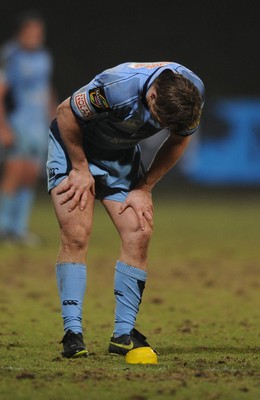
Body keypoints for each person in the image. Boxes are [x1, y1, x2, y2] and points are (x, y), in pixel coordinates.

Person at [46, 61, 204, 360]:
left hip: (119, 157)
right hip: (75, 149)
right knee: (77, 234)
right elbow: (65, 112)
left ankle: (123, 334)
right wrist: (80, 168)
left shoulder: (191, 93)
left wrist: (144, 187)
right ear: (153, 97)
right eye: (160, 119)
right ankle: (73, 333)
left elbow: (180, 138)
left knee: (139, 231)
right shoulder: (118, 87)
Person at [0, 11, 55, 245]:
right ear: (21, 33)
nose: (34, 36)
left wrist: (54, 116)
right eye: (30, 32)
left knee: (31, 175)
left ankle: (19, 229)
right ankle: (2, 227)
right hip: (18, 122)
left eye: (38, 32)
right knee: (14, 171)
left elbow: (46, 89)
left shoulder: (44, 57)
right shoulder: (10, 55)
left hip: (38, 125)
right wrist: (3, 127)